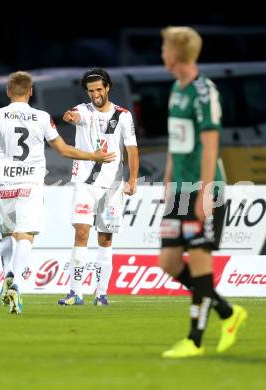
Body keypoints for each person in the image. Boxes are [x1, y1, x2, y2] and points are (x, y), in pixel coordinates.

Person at [0, 71, 115, 315]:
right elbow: (63, 150)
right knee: (25, 235)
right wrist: (94, 156)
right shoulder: (42, 117)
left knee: (7, 233)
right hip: (30, 183)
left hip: (3, 183)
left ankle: (7, 273)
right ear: (30, 92)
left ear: (8, 91)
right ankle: (15, 280)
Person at [159, 26, 247, 357]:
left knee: (199, 261)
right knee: (167, 262)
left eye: (165, 47)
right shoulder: (175, 89)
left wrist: (206, 192)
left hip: (202, 188)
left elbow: (211, 143)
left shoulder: (203, 91)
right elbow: (176, 140)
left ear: (177, 53)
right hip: (179, 189)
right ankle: (229, 313)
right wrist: (168, 180)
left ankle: (194, 340)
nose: (161, 52)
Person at [58, 68, 139, 306]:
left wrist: (132, 180)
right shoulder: (82, 111)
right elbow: (72, 116)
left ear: (108, 88)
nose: (95, 94)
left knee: (105, 239)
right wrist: (69, 118)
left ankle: (101, 293)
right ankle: (75, 292)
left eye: (99, 90)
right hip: (84, 183)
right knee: (81, 232)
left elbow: (132, 149)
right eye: (91, 90)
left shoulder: (123, 116)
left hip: (112, 185)